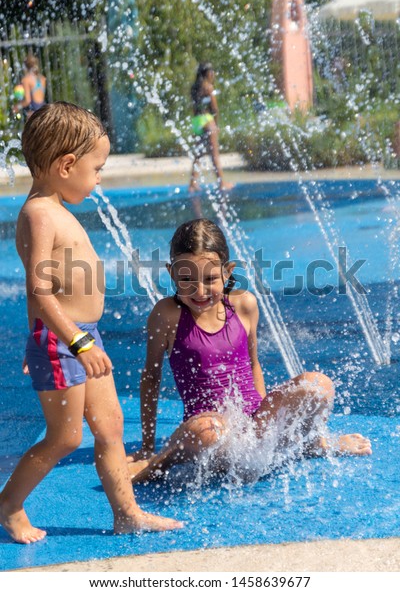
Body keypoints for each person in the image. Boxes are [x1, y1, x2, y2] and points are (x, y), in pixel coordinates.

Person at [0, 102, 182, 544]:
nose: (99, 177)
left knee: (111, 426)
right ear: (66, 165)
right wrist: (71, 341)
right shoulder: (40, 214)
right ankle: (8, 506)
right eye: (96, 168)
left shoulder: (54, 207)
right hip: (69, 341)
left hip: (79, 338)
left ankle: (127, 514)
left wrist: (59, 339)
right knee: (64, 438)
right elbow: (40, 291)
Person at [127, 218, 372, 483]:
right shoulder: (167, 314)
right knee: (208, 430)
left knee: (318, 385)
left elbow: (253, 365)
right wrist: (147, 444)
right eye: (186, 279)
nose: (199, 291)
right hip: (209, 435)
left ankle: (313, 442)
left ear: (228, 272)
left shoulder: (244, 305)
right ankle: (157, 463)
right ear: (172, 273)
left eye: (210, 279)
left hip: (252, 426)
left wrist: (268, 426)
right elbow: (151, 378)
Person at [190, 63, 233, 192]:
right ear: (207, 73)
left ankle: (192, 184)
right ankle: (222, 183)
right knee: (214, 155)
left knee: (198, 155)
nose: (213, 74)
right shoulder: (208, 87)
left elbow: (194, 108)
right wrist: (216, 124)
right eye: (211, 71)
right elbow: (214, 109)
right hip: (207, 121)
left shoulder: (194, 88)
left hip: (197, 121)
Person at [14, 54, 46, 119]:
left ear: (25, 67)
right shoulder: (42, 78)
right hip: (43, 109)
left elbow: (27, 101)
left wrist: (17, 106)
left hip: (34, 111)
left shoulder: (26, 80)